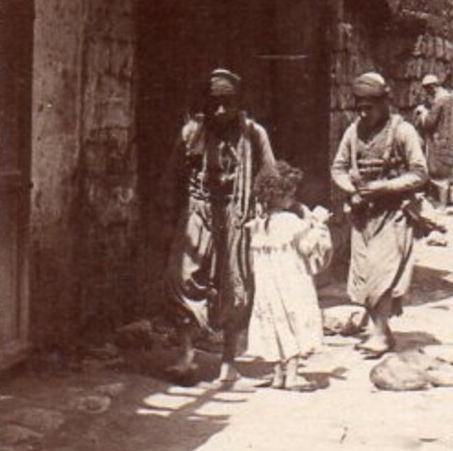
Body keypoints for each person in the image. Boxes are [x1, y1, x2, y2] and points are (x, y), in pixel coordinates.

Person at [164, 68, 275, 387]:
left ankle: (229, 361)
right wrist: (170, 217)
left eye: (228, 103)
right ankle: (185, 356)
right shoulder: (191, 133)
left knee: (235, 284)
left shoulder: (254, 134)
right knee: (181, 279)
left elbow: (269, 178)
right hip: (197, 211)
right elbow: (173, 177)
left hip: (236, 214)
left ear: (240, 103)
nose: (221, 111)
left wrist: (272, 215)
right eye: (214, 104)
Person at [331, 72, 428, 357]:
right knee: (363, 275)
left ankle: (379, 333)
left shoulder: (403, 131)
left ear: (385, 102)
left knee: (381, 274)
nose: (364, 112)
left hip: (394, 213)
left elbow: (420, 172)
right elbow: (337, 168)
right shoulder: (353, 132)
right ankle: (381, 330)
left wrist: (384, 187)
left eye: (369, 106)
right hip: (363, 215)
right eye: (359, 106)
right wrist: (352, 189)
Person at [246, 161, 332, 391]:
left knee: (274, 321)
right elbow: (307, 248)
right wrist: (319, 226)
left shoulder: (258, 225)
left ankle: (277, 376)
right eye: (291, 193)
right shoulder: (292, 223)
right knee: (293, 318)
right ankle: (292, 376)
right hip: (291, 282)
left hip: (267, 286)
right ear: (282, 195)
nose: (293, 197)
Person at [415, 74, 453, 210]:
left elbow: (429, 123)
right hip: (452, 137)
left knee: (439, 172)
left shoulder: (439, 101)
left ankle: (442, 204)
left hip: (440, 139)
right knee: (449, 170)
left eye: (428, 89)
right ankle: (451, 199)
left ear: (432, 87)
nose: (427, 93)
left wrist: (422, 113)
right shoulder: (451, 98)